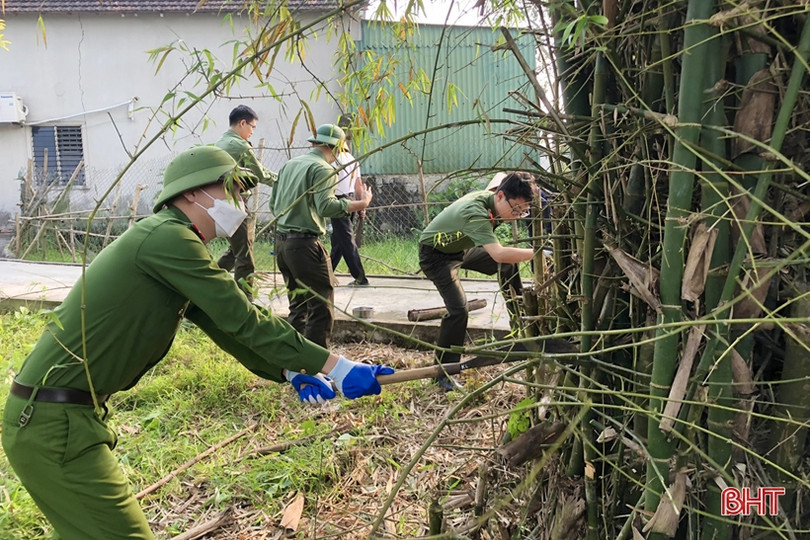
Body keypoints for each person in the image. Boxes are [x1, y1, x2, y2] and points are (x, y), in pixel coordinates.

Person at [1, 145, 393, 540]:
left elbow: (224, 327)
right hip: (53, 422)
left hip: (59, 416)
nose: (239, 203)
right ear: (191, 193)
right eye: (230, 191)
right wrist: (337, 366)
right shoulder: (168, 239)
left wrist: (289, 369)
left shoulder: (171, 241)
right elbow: (244, 317)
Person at [418, 172, 537, 391]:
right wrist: (537, 253)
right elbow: (498, 254)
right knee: (459, 310)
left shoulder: (495, 198)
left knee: (509, 266)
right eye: (516, 210)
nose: (517, 216)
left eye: (523, 211)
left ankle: (519, 322)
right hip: (436, 255)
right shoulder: (476, 213)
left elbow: (501, 176)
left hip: (461, 248)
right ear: (500, 196)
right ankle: (443, 371)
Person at [270, 124, 373, 348]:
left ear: (314, 143)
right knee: (321, 306)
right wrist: (362, 203)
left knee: (298, 305)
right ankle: (318, 362)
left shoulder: (290, 165)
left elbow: (273, 203)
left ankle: (294, 357)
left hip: (281, 243)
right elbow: (326, 207)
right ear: (337, 148)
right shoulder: (323, 169)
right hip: (305, 245)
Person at [214, 105, 277, 300]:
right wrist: (285, 179)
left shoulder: (221, 141)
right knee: (245, 255)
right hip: (235, 203)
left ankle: (210, 281)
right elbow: (260, 174)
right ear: (242, 123)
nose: (252, 131)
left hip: (223, 202)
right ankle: (244, 301)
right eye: (252, 127)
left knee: (236, 250)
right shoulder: (239, 145)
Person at [329, 135, 369, 287]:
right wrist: (361, 205)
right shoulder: (352, 158)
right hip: (351, 199)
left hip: (339, 202)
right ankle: (328, 272)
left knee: (345, 240)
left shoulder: (334, 160)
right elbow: (359, 185)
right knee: (339, 240)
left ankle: (361, 278)